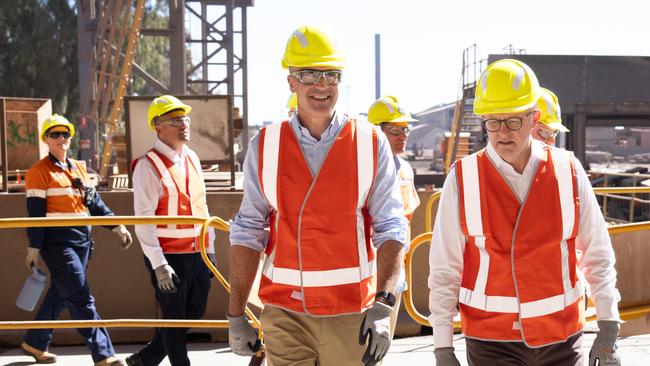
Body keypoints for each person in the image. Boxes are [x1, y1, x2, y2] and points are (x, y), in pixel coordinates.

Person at [227, 25, 408, 366]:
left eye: (331, 74)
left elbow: (392, 227)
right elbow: (248, 231)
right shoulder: (265, 146)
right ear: (291, 82)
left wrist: (384, 304)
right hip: (285, 314)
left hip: (352, 312)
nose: (321, 85)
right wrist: (236, 313)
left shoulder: (370, 143)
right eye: (308, 74)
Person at [428, 59, 621, 366]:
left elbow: (596, 251)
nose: (502, 132)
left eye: (514, 121)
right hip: (491, 341)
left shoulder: (568, 170)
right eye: (493, 121)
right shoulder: (462, 178)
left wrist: (609, 325)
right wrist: (442, 347)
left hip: (561, 338)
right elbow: (444, 268)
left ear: (535, 118)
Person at [22, 114, 133, 366]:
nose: (61, 138)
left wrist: (116, 225)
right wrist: (34, 246)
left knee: (62, 294)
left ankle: (34, 342)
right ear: (46, 139)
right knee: (81, 295)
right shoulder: (38, 172)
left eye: (65, 134)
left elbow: (94, 203)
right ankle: (104, 354)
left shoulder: (79, 167)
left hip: (82, 241)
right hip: (57, 243)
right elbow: (35, 212)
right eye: (55, 134)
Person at [127, 95, 217, 366]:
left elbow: (202, 207)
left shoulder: (191, 158)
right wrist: (158, 264)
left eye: (185, 119)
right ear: (158, 126)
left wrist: (209, 250)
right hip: (168, 256)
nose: (184, 124)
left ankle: (147, 358)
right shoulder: (147, 166)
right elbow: (143, 220)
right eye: (175, 120)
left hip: (196, 253)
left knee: (195, 311)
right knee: (173, 316)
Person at [367, 95, 421, 340]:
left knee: (382, 342)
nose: (403, 135)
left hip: (395, 269)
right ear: (376, 132)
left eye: (405, 129)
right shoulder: (362, 169)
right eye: (395, 130)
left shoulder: (406, 170)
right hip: (367, 271)